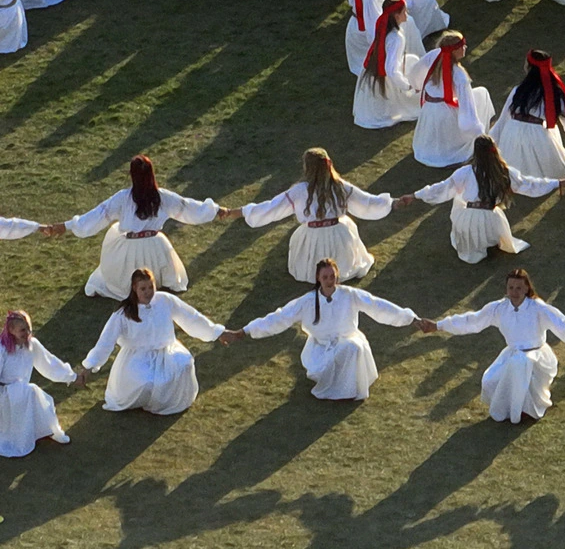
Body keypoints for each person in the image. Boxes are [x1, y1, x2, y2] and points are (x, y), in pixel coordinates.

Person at [422, 268, 565, 423]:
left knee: (520, 366)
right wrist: (439, 325)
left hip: (538, 357)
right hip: (512, 354)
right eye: (511, 287)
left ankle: (525, 413)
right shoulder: (498, 308)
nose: (514, 291)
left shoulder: (539, 308)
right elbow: (472, 321)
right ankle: (511, 409)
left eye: (519, 287)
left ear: (527, 288)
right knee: (490, 380)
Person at [237, 259, 418, 402]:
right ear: (318, 279)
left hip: (348, 340)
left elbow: (378, 306)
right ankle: (334, 386)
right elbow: (280, 317)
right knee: (342, 354)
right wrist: (246, 331)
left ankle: (348, 390)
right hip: (321, 347)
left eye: (332, 276)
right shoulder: (308, 301)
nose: (330, 281)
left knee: (352, 347)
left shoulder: (349, 294)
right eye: (325, 277)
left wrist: (410, 319)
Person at [66, 155, 224, 299]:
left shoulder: (123, 197)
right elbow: (188, 207)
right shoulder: (161, 197)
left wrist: (68, 226)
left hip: (127, 249)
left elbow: (99, 214)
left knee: (110, 279)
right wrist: (216, 210)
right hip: (155, 248)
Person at [241, 146, 402, 283]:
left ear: (307, 168)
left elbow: (272, 207)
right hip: (340, 234)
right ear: (328, 164)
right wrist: (392, 203)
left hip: (311, 236)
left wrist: (241, 212)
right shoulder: (339, 186)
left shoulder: (299, 190)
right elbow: (366, 202)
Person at [82, 269, 222, 415]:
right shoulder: (123, 314)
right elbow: (106, 341)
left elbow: (190, 317)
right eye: (143, 288)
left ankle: (169, 402)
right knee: (146, 382)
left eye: (151, 287)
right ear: (135, 288)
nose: (148, 292)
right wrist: (89, 366)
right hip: (137, 358)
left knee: (185, 364)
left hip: (167, 351)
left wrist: (217, 332)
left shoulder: (165, 300)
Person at [0, 308, 79, 457]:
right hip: (4, 395)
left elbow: (49, 363)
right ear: (11, 330)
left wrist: (72, 377)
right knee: (31, 392)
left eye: (29, 328)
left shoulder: (32, 344)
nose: (27, 333)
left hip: (21, 391)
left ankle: (50, 430)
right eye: (23, 330)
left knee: (33, 394)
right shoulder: (2, 348)